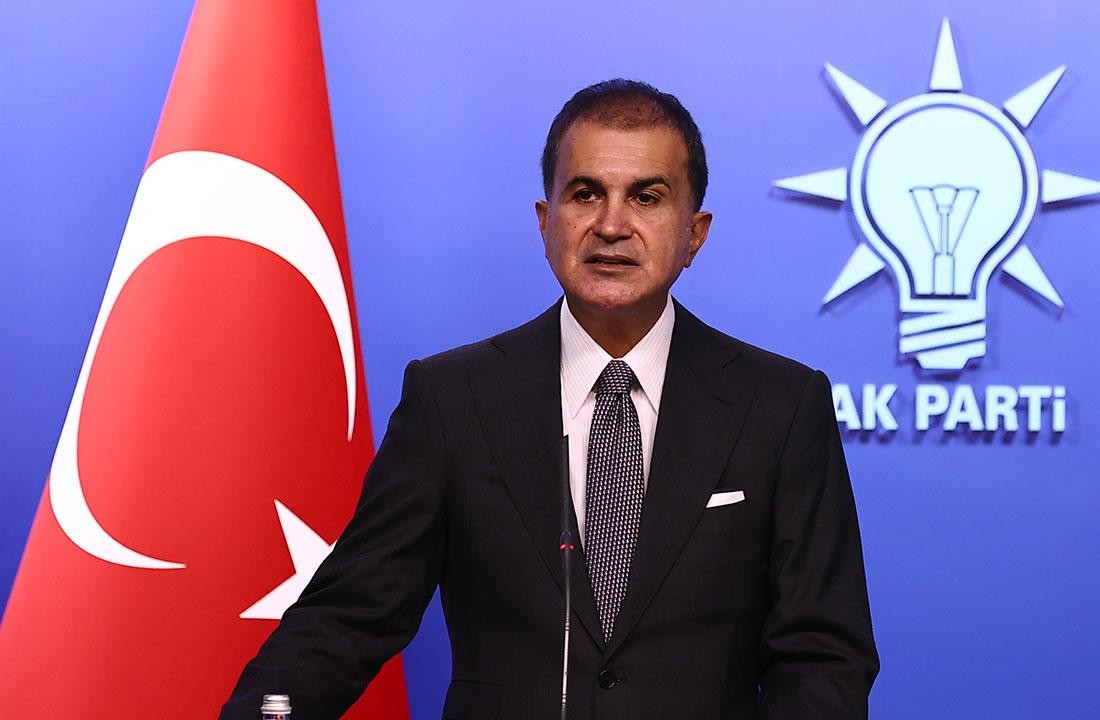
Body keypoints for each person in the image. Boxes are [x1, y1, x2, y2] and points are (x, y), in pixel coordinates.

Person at [220, 79, 877, 720]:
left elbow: (821, 656)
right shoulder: (453, 400)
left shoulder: (780, 406)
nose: (611, 225)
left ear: (694, 234)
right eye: (585, 194)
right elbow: (346, 618)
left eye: (647, 197)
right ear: (545, 221)